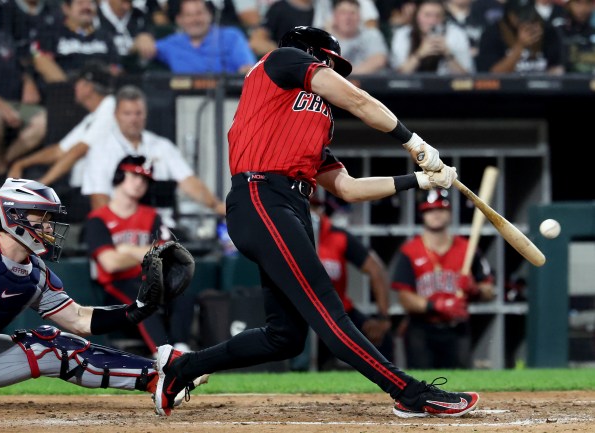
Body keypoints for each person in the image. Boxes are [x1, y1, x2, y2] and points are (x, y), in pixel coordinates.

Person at [151, 25, 479, 419]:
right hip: (262, 196)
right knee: (328, 311)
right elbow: (357, 100)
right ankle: (409, 393)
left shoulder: (304, 119)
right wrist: (413, 142)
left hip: (289, 204)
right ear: (310, 52)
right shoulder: (281, 60)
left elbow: (348, 188)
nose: (334, 72)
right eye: (329, 62)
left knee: (284, 337)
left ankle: (181, 369)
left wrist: (421, 180)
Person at [0, 177, 202, 399]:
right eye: (41, 216)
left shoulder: (36, 274)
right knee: (47, 348)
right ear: (14, 215)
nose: (48, 226)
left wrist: (136, 309)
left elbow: (79, 319)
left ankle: (159, 377)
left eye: (49, 218)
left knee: (55, 345)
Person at [84, 155, 194, 356]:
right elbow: (110, 264)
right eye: (134, 176)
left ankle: (182, 347)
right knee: (145, 296)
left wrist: (127, 249)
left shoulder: (151, 215)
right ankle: (164, 354)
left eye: (144, 180)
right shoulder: (98, 219)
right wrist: (147, 253)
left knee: (181, 288)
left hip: (149, 276)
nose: (139, 183)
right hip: (116, 285)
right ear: (120, 176)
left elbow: (167, 253)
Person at [81, 85, 226, 224]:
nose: (133, 119)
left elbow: (188, 181)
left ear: (145, 114)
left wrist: (218, 206)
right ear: (116, 115)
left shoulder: (162, 146)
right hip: (121, 227)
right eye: (127, 114)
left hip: (162, 226)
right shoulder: (100, 150)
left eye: (138, 113)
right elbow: (99, 199)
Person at [391, 188, 496, 369]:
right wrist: (437, 306)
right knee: (421, 386)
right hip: (421, 328)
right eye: (430, 210)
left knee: (460, 386)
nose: (436, 214)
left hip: (457, 328)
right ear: (422, 214)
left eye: (440, 209)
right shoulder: (410, 250)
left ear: (450, 212)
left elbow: (489, 291)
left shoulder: (467, 249)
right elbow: (404, 298)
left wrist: (475, 289)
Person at [8, 60, 115, 197]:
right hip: (82, 190)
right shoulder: (93, 116)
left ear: (88, 87)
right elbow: (59, 150)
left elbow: (77, 151)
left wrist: (41, 185)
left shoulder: (111, 108)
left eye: (78, 83)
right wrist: (22, 163)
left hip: (98, 192)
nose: (74, 87)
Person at [311, 195, 393, 369]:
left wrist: (383, 317)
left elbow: (376, 271)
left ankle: (386, 389)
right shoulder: (289, 236)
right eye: (308, 208)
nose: (313, 213)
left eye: (316, 208)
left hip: (336, 311)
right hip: (303, 313)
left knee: (381, 337)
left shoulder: (337, 235)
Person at [0, 0, 46, 181]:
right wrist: (2, 107)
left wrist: (28, 82)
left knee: (44, 121)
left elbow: (20, 66)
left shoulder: (3, 38)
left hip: (14, 102)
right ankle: (0, 169)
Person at [134, 0, 256, 74]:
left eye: (199, 13)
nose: (195, 20)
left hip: (227, 101)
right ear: (179, 20)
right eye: (188, 15)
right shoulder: (172, 43)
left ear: (210, 15)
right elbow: (142, 48)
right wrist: (142, 38)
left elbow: (248, 69)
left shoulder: (232, 37)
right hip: (184, 105)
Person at [31, 0, 119, 84]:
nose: (86, 7)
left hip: (100, 91)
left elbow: (116, 66)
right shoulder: (51, 33)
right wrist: (67, 87)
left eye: (91, 3)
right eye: (80, 3)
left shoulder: (106, 36)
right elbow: (38, 58)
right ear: (66, 8)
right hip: (64, 90)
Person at [476, 0, 564, 74]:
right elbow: (493, 75)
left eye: (528, 12)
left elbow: (556, 68)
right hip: (507, 91)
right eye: (519, 14)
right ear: (509, 14)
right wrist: (520, 45)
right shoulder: (493, 33)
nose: (524, 18)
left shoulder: (546, 30)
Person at [390, 0, 474, 74]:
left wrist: (448, 55)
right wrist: (419, 54)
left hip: (445, 89)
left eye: (438, 16)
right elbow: (397, 77)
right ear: (417, 16)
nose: (432, 21)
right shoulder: (403, 35)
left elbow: (466, 78)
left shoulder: (456, 35)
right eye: (427, 15)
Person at [329, 0, 389, 75]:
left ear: (359, 17)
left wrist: (350, 76)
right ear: (335, 16)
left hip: (367, 84)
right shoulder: (324, 39)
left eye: (352, 13)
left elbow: (379, 60)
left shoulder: (372, 35)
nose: (348, 18)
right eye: (343, 13)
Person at [553, 0, 595, 74]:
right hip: (564, 82)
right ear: (568, 5)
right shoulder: (556, 31)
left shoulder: (593, 32)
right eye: (578, 3)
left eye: (587, 3)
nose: (583, 9)